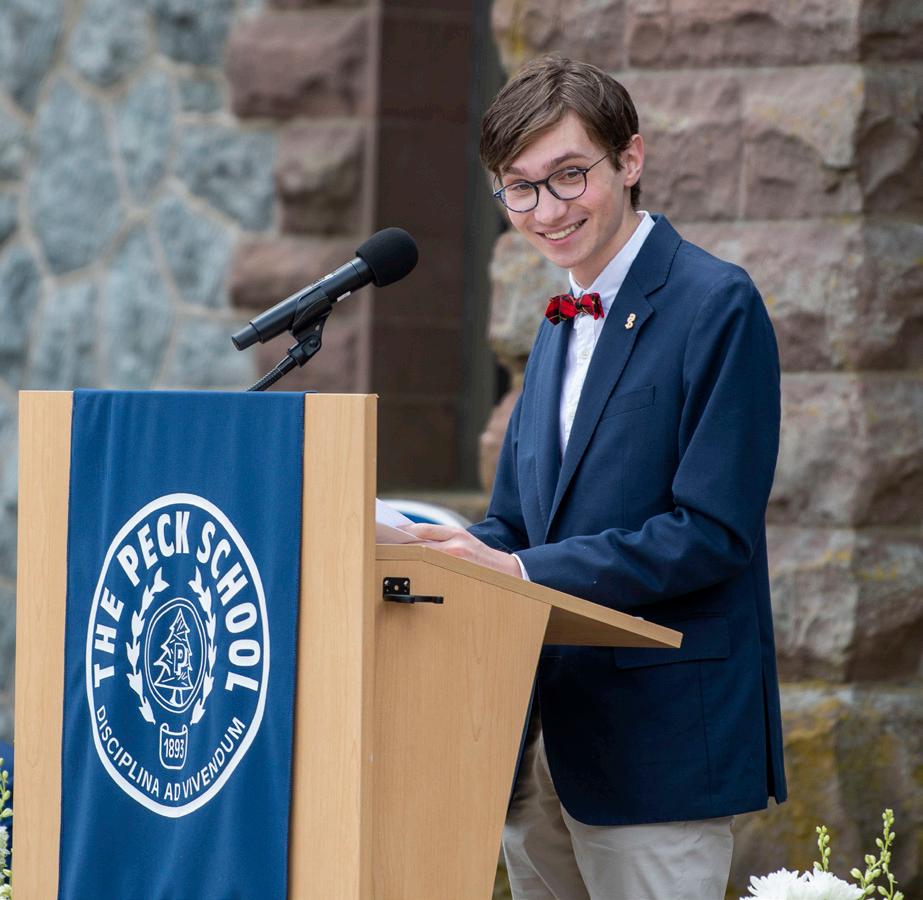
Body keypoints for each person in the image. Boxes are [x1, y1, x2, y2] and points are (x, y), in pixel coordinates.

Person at [405, 54, 786, 900]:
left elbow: (710, 532)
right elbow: (517, 525)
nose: (546, 210)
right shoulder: (555, 323)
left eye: (568, 175)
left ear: (630, 159)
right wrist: (432, 546)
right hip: (535, 739)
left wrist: (518, 570)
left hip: (656, 745)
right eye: (519, 188)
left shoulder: (716, 303)